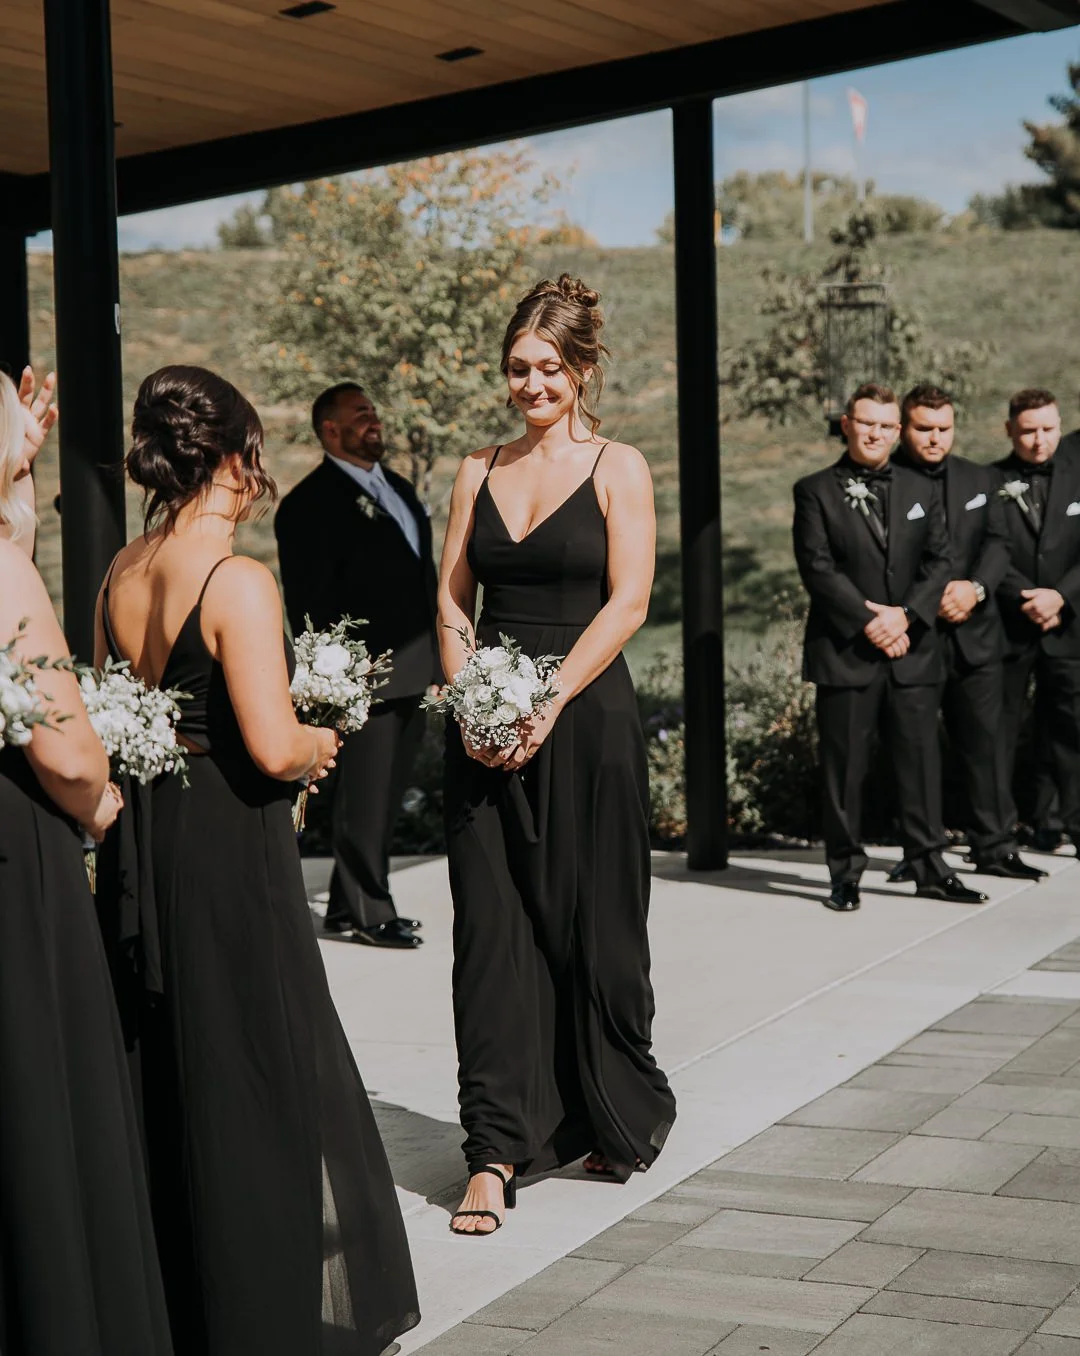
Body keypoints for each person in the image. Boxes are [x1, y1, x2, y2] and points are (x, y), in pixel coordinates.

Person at [95, 366, 419, 1355]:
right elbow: (273, 748)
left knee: (176, 1060)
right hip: (233, 840)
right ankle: (264, 1306)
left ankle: (187, 1297)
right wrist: (325, 739)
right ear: (233, 455)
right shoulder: (235, 581)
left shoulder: (120, 568)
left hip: (149, 837)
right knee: (263, 1067)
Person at [437, 275, 676, 1237]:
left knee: (595, 930)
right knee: (489, 936)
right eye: (516, 369)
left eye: (547, 369)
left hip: (583, 723)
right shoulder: (474, 469)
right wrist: (469, 705)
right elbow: (454, 602)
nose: (529, 384)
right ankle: (494, 1151)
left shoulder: (621, 466)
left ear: (581, 371)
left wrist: (545, 699)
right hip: (482, 730)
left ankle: (613, 1111)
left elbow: (630, 601)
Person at [0, 367, 173, 1356]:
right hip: (18, 864)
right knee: (39, 1107)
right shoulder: (4, 572)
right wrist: (99, 796)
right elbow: (65, 751)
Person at [792, 382, 986, 913]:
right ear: (847, 424)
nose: (875, 432)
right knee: (844, 771)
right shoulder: (814, 491)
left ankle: (929, 866)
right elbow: (818, 568)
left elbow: (940, 561)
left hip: (914, 651)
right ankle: (845, 873)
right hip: (845, 651)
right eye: (866, 422)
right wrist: (867, 620)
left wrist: (904, 616)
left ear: (896, 431)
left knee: (921, 766)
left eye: (885, 424)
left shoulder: (921, 488)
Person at [275, 383, 438, 949]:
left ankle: (346, 905)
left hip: (417, 665)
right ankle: (372, 912)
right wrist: (336, 677)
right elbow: (309, 601)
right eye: (359, 415)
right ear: (330, 431)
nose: (373, 421)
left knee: (388, 793)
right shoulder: (306, 505)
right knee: (363, 798)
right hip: (362, 676)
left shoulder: (398, 487)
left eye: (373, 412)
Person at [891, 385, 1043, 880]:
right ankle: (924, 855)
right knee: (917, 753)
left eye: (944, 429)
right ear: (905, 428)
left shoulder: (980, 477)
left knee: (987, 744)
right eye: (924, 429)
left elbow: (998, 543)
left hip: (977, 636)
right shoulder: (887, 479)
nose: (935, 439)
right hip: (915, 639)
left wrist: (976, 588)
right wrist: (932, 599)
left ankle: (994, 846)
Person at [995, 388, 1080, 855]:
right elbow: (987, 550)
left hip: (1070, 623)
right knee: (1003, 731)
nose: (1038, 440)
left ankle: (1068, 820)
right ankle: (1007, 826)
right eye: (1028, 431)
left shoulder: (1078, 474)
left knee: (1069, 727)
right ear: (1009, 430)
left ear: (1060, 425)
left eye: (1048, 429)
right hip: (1012, 624)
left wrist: (1061, 596)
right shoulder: (989, 480)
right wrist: (1025, 597)